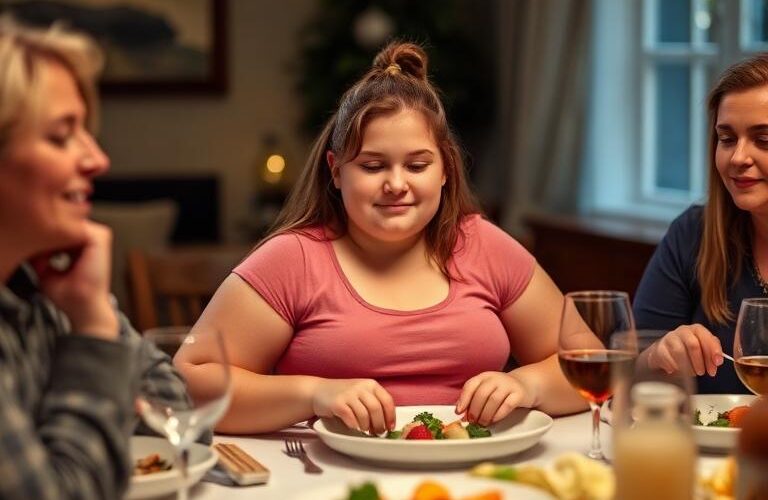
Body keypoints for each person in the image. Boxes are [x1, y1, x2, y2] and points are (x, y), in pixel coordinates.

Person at [178, 41, 585, 435]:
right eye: (373, 166)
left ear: (445, 170)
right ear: (336, 171)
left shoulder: (484, 245)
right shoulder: (293, 258)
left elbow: (598, 362)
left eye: (417, 165)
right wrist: (314, 393)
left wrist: (528, 385)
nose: (396, 184)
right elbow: (188, 383)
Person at [0, 19, 190, 499]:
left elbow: (177, 413)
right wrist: (91, 334)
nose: (98, 159)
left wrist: (91, 314)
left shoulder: (42, 282)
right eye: (62, 136)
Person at [633, 53, 768, 394]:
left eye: (763, 140)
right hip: (710, 448)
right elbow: (629, 377)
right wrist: (657, 357)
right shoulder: (694, 233)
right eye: (726, 139)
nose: (738, 158)